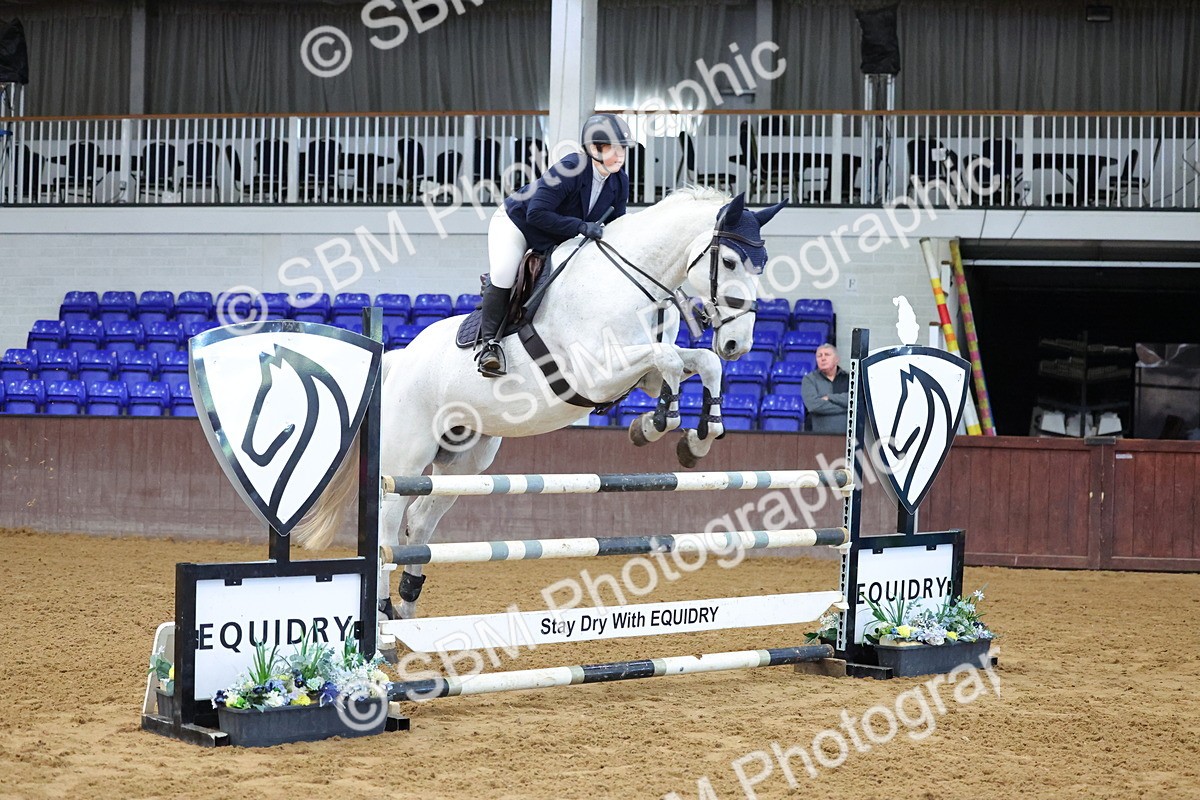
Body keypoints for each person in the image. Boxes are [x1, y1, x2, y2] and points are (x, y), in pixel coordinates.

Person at [475, 113, 633, 377]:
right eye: (614, 149)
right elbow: (535, 213)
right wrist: (582, 227)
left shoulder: (619, 182)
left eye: (623, 149)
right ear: (594, 148)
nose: (620, 156)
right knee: (503, 272)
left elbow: (619, 224)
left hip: (557, 235)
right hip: (517, 223)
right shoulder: (570, 168)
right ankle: (490, 346)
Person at [801, 343, 850, 433]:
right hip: (817, 437)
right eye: (819, 356)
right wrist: (847, 408)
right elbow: (813, 405)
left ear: (836, 360)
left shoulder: (849, 378)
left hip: (847, 438)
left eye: (827, 355)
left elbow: (855, 401)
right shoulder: (809, 379)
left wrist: (829, 397)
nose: (823, 358)